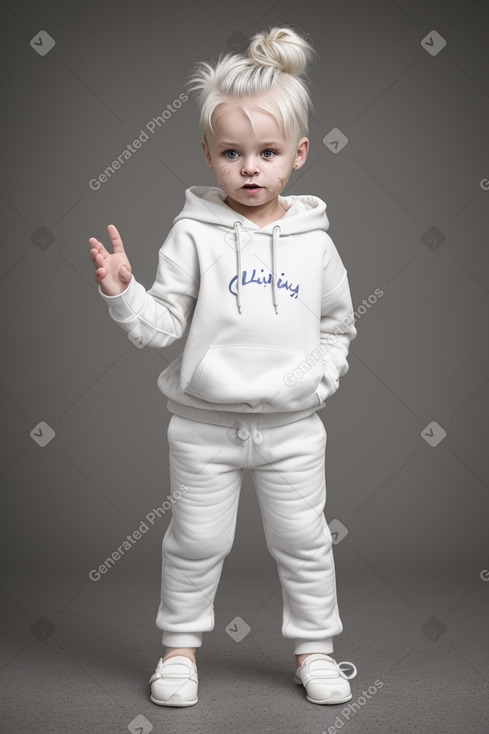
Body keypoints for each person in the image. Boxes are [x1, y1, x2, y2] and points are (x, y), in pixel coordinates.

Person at [88, 25, 357, 707]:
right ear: (207, 153)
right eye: (231, 152)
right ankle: (179, 651)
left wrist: (315, 380)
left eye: (266, 153)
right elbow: (163, 327)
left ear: (296, 155)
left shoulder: (314, 245)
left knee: (304, 542)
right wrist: (124, 293)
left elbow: (336, 325)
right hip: (201, 427)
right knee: (194, 542)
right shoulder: (191, 235)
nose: (248, 168)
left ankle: (315, 651)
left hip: (293, 430)